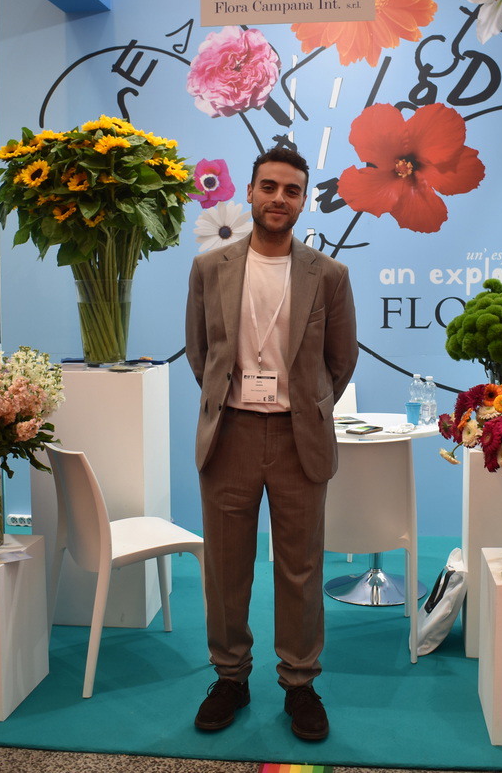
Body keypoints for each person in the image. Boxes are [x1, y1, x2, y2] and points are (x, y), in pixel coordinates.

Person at [184, 146, 357, 742]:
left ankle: (300, 683)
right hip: (228, 434)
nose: (279, 198)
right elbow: (200, 354)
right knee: (225, 566)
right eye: (269, 187)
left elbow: (340, 361)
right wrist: (232, 399)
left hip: (297, 438)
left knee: (301, 567)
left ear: (303, 201)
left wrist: (302, 405)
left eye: (292, 190)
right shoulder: (210, 268)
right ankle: (230, 677)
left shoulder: (328, 275)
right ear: (251, 193)